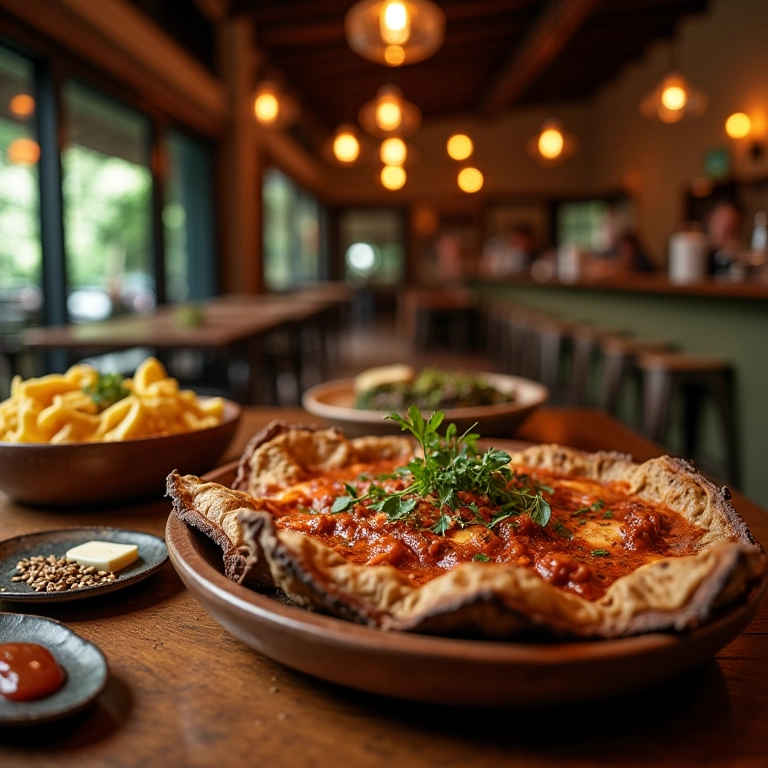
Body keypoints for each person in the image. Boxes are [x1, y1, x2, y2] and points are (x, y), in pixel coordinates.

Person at [705, 200, 742, 275]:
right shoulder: (698, 250)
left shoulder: (736, 256)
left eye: (732, 226)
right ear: (709, 220)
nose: (724, 229)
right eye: (721, 221)